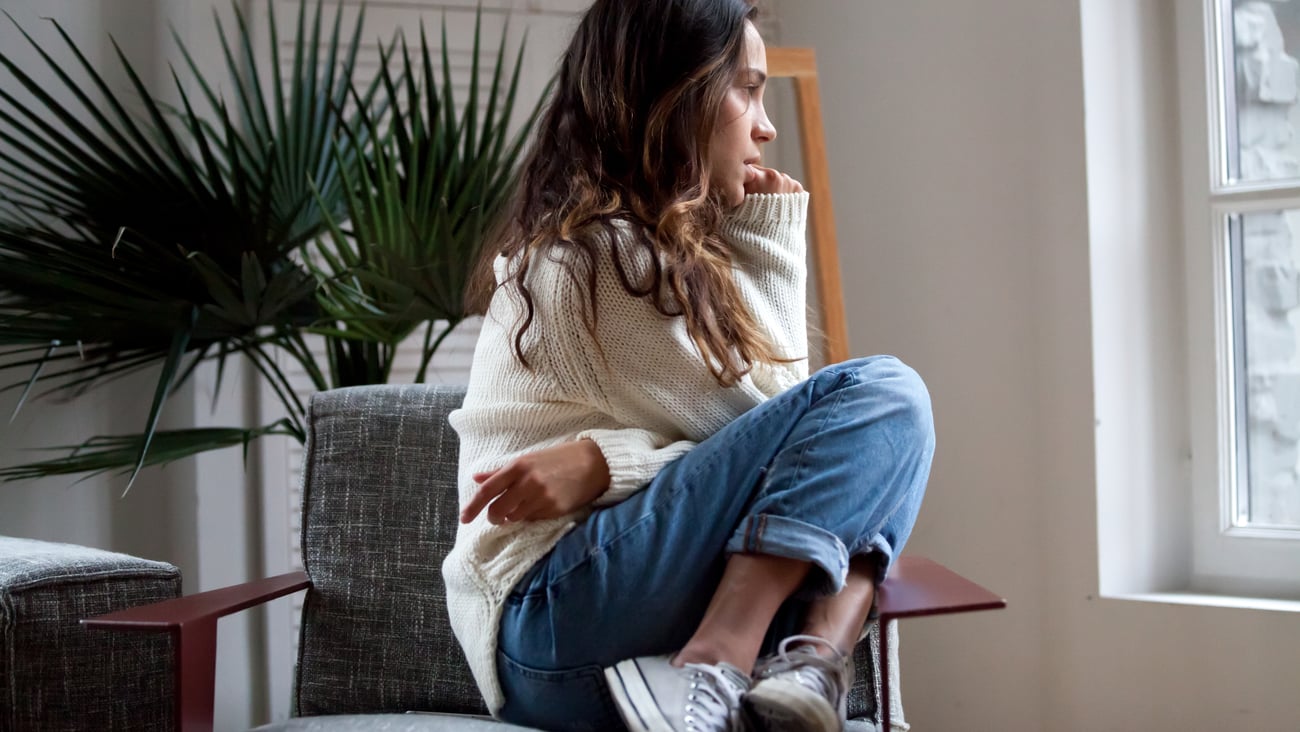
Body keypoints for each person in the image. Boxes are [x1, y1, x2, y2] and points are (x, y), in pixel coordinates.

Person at [444, 1, 934, 730]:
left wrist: (605, 463)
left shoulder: (658, 254)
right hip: (554, 619)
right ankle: (721, 660)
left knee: (863, 484)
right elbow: (790, 429)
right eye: (747, 88)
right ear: (674, 94)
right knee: (888, 398)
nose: (766, 127)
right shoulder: (596, 258)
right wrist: (771, 239)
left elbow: (795, 459)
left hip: (599, 635)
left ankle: (804, 679)